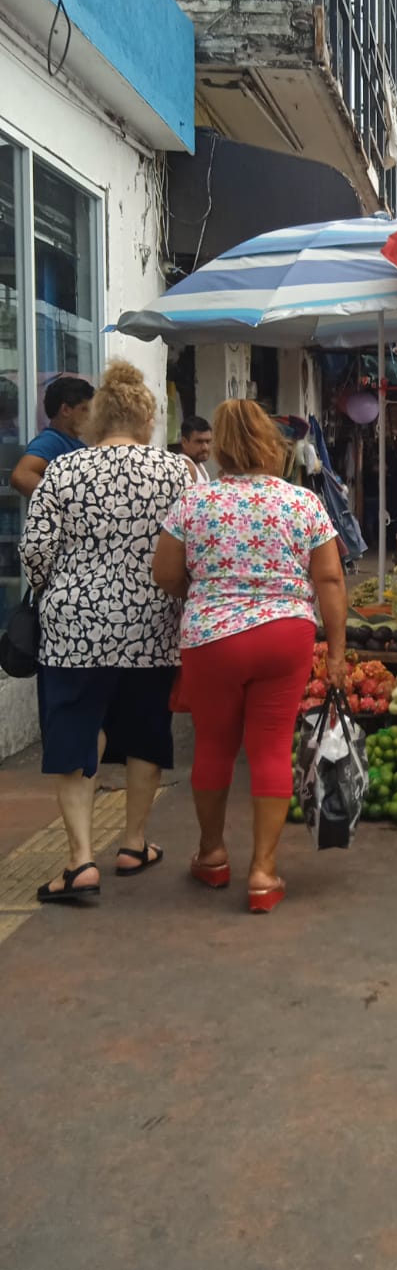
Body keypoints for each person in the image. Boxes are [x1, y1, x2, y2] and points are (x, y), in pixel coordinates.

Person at [153, 399, 348, 913]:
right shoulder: (302, 503)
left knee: (214, 748)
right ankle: (263, 872)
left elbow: (165, 575)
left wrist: (211, 590)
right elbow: (329, 578)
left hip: (211, 639)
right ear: (271, 446)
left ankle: (212, 855)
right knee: (268, 749)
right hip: (285, 636)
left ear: (219, 448)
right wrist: (337, 653)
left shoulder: (194, 503)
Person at [19, 361, 190, 902]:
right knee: (143, 733)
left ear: (95, 419)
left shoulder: (64, 471)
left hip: (74, 629)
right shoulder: (180, 472)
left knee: (74, 734)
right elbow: (194, 548)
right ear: (146, 419)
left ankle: (79, 863)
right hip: (152, 625)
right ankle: (134, 844)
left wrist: (64, 586)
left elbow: (35, 552)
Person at [11, 375, 95, 498]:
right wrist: (63, 502)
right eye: (84, 409)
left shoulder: (76, 444)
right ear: (65, 409)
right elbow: (21, 476)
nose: (90, 416)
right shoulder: (50, 441)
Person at [176, 414, 212, 482]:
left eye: (208, 441)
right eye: (199, 441)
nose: (205, 448)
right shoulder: (186, 467)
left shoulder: (198, 464)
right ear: (184, 442)